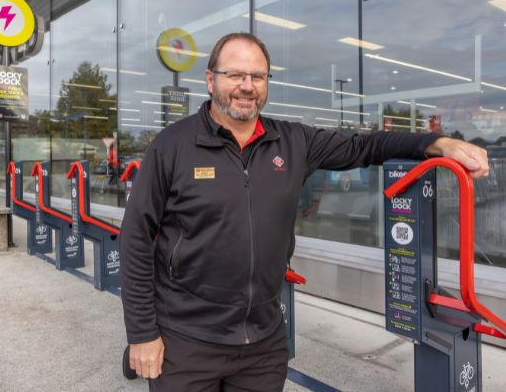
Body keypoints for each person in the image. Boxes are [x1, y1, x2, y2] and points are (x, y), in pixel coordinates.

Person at [120, 32, 489, 392]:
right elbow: (136, 238)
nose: (247, 86)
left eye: (258, 76)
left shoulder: (294, 142)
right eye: (235, 75)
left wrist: (436, 143)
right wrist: (142, 334)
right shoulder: (173, 146)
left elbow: (367, 146)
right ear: (210, 80)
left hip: (262, 344)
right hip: (187, 339)